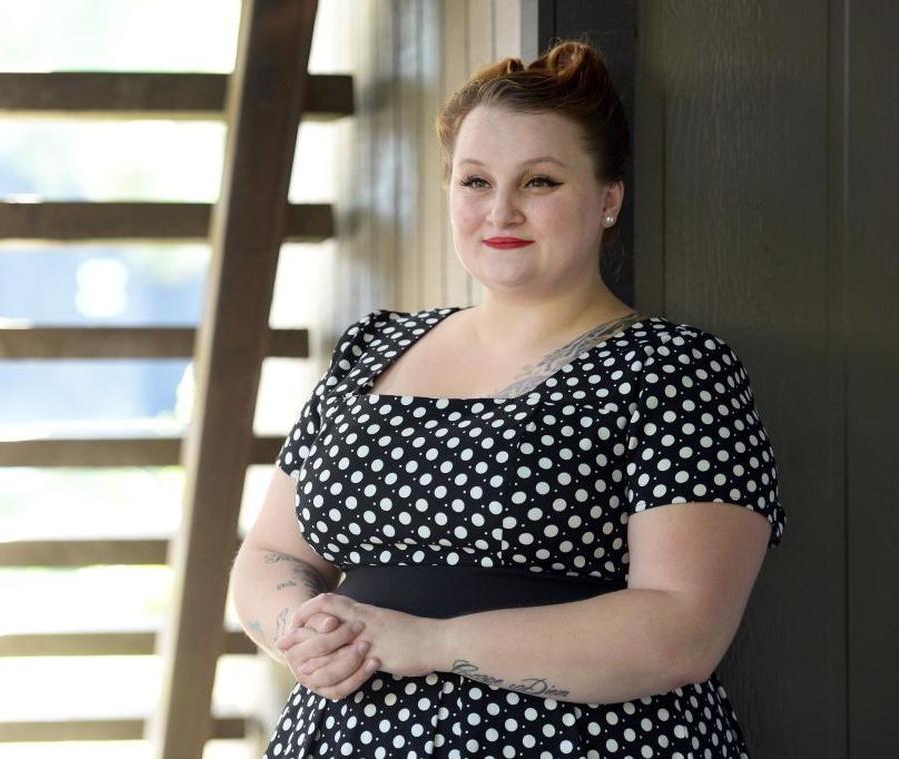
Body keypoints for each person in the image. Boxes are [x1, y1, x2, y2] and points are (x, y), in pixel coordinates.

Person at [230, 38, 786, 758]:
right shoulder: (373, 349)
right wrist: (300, 633)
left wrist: (430, 642)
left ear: (608, 198)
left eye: (540, 182)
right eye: (475, 182)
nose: (501, 211)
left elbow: (682, 629)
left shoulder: (676, 368)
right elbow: (270, 551)